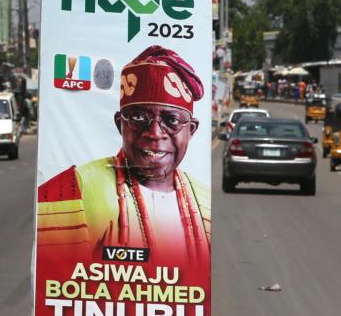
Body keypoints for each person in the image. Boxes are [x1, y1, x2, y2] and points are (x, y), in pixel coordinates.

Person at [36, 45, 210, 268]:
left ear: (192, 130)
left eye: (172, 121)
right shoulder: (75, 188)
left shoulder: (203, 201)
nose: (155, 133)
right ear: (120, 124)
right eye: (138, 117)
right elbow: (51, 282)